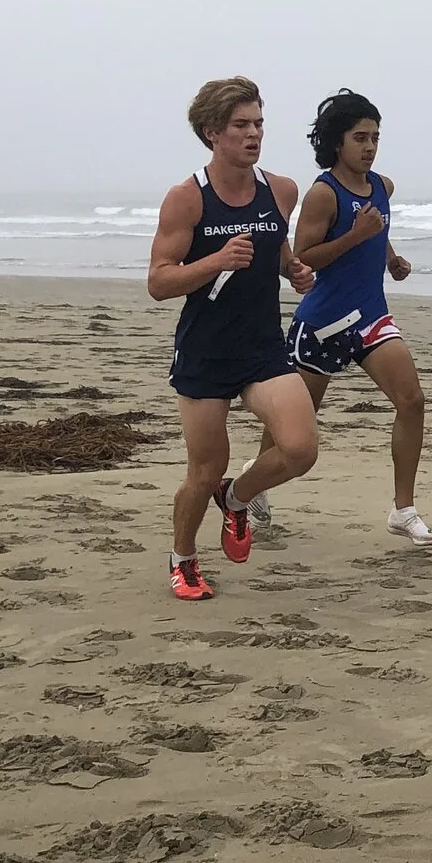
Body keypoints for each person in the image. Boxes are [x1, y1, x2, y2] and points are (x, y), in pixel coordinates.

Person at [145, 76, 320, 602]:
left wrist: (294, 270)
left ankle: (238, 498)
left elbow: (277, 250)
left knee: (301, 449)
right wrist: (216, 261)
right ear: (212, 133)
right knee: (204, 470)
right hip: (206, 352)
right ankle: (183, 559)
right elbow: (158, 281)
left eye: (259, 123)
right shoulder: (187, 198)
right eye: (241, 125)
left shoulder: (281, 190)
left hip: (263, 347)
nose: (254, 134)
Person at [249, 88, 432, 546]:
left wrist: (391, 258)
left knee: (412, 401)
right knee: (291, 429)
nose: (370, 147)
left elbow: (378, 228)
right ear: (338, 142)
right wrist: (357, 236)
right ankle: (253, 486)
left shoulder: (382, 186)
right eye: (360, 138)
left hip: (371, 317)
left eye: (375, 137)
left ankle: (403, 510)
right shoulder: (323, 194)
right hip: (323, 325)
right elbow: (303, 258)